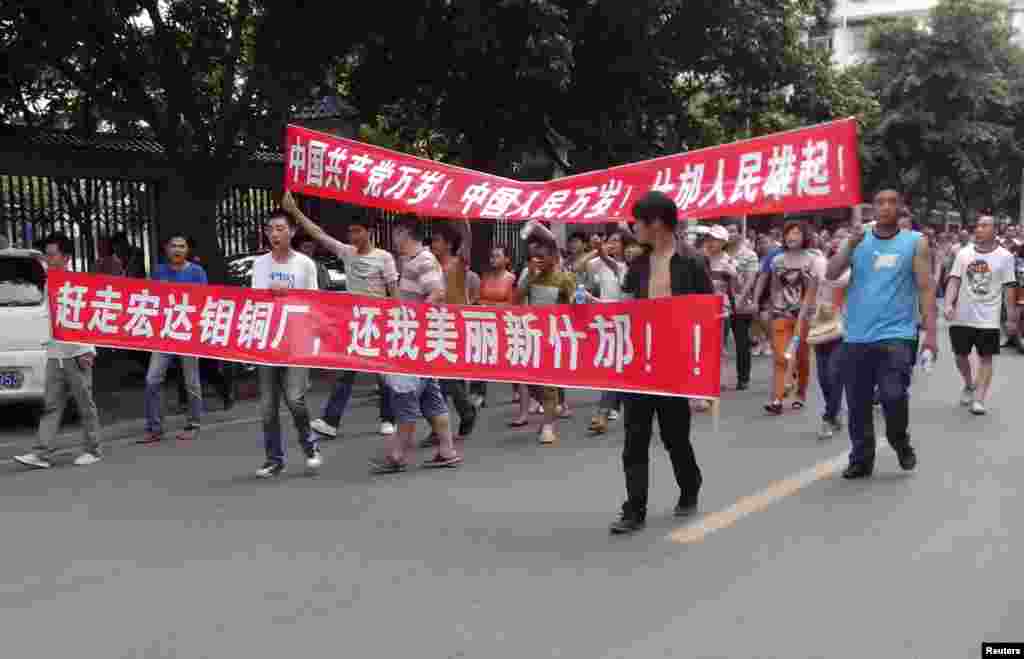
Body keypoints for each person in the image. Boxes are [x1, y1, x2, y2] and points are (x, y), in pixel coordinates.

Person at [610, 191, 713, 536]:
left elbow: (708, 320)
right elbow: (624, 309)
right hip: (640, 363)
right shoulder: (637, 263)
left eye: (637, 221)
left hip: (675, 364)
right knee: (634, 439)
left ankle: (690, 484)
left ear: (655, 223)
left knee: (674, 437)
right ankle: (633, 508)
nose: (632, 227)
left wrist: (704, 380)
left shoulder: (693, 261)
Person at [826, 188, 935, 479]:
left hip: (898, 334)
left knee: (893, 395)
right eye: (879, 202)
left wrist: (931, 335)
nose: (885, 206)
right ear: (872, 208)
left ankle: (899, 440)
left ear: (901, 208)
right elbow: (831, 274)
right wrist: (849, 244)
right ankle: (861, 458)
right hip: (857, 335)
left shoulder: (915, 242)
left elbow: (925, 288)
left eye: (892, 202)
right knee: (858, 402)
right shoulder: (857, 240)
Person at [283, 192, 400, 439]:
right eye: (351, 232)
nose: (353, 236)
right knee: (346, 372)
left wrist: (397, 321)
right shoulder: (347, 252)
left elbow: (395, 294)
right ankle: (330, 421)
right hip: (354, 323)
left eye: (358, 231)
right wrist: (294, 211)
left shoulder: (384, 258)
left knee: (384, 374)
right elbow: (319, 234)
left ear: (369, 231)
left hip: (378, 322)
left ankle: (389, 418)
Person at [371, 216, 460, 473]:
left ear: (404, 233)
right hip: (420, 339)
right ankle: (447, 450)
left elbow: (437, 293)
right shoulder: (411, 260)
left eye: (396, 233)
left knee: (405, 395)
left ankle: (397, 456)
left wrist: (415, 321)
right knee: (431, 398)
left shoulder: (424, 260)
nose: (393, 238)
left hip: (414, 340)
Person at [14, 233, 104, 469]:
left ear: (66, 257)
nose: (48, 258)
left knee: (85, 404)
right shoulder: (49, 281)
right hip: (55, 354)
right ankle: (41, 453)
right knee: (52, 405)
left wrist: (87, 350)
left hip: (76, 353)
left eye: (52, 254)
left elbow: (87, 317)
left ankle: (93, 449)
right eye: (47, 254)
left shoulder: (76, 282)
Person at [251, 207, 323, 478]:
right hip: (268, 341)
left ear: (292, 231)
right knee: (268, 405)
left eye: (280, 229)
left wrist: (288, 294)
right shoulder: (260, 265)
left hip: (296, 340)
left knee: (294, 399)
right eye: (270, 229)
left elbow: (315, 301)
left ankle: (310, 447)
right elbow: (255, 301)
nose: (274, 234)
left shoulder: (304, 264)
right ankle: (274, 460)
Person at [137, 233, 208, 444]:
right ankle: (154, 427)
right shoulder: (159, 271)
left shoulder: (197, 272)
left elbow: (205, 300)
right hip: (164, 333)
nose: (177, 250)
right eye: (173, 246)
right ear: (167, 249)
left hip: (188, 333)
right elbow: (150, 299)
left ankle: (193, 424)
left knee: (191, 382)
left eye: (182, 246)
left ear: (187, 250)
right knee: (152, 379)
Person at [944, 215, 1018, 415]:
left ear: (995, 231)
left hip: (989, 317)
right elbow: (954, 280)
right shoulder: (963, 254)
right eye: (977, 225)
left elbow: (1009, 288)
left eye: (984, 225)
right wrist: (949, 303)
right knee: (960, 356)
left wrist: (1011, 318)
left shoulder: (1005, 257)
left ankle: (979, 399)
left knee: (986, 357)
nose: (979, 229)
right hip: (963, 315)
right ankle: (969, 384)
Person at [512, 222, 577, 444]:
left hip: (554, 337)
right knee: (530, 381)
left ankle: (548, 426)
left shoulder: (564, 278)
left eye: (541, 256)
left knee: (548, 383)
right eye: (534, 256)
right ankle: (551, 405)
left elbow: (575, 307)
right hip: (533, 336)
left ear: (553, 256)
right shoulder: (531, 276)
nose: (537, 260)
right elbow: (516, 300)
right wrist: (528, 277)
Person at [756, 221, 821, 415]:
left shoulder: (813, 259)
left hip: (805, 315)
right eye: (788, 233)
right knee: (780, 356)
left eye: (796, 233)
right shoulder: (778, 260)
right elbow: (774, 286)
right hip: (781, 314)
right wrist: (772, 307)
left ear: (804, 236)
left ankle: (800, 393)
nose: (792, 236)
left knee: (801, 357)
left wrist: (808, 310)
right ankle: (777, 399)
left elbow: (815, 288)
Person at [427, 220, 478, 443]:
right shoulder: (430, 267)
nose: (433, 245)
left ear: (448, 244)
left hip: (455, 325)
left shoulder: (458, 263)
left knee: (448, 378)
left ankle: (463, 412)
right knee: (437, 380)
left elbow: (467, 240)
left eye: (437, 240)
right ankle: (450, 420)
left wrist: (464, 223)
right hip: (435, 324)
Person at [584, 230, 631, 434]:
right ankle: (604, 413)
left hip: (638, 327)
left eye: (617, 242)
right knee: (615, 370)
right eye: (610, 241)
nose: (613, 245)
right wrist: (598, 249)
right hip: (615, 325)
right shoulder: (615, 266)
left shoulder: (640, 269)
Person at [813, 225, 852, 440]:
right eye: (836, 237)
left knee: (834, 372)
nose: (839, 241)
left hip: (845, 324)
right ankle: (834, 410)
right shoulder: (819, 262)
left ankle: (828, 417)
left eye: (845, 238)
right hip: (821, 321)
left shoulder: (856, 267)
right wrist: (804, 317)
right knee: (822, 376)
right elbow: (811, 293)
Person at [471, 245, 518, 408]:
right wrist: (483, 306)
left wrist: (492, 306)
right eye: (492, 256)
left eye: (497, 256)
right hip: (485, 322)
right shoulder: (485, 276)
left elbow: (513, 303)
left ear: (507, 259)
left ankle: (519, 389)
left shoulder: (511, 278)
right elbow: (478, 298)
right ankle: (478, 393)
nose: (493, 259)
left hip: (504, 323)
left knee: (510, 358)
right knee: (481, 356)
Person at [726, 222, 758, 388]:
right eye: (727, 231)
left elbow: (751, 280)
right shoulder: (718, 252)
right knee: (716, 343)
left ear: (740, 233)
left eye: (732, 231)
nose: (729, 234)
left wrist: (740, 299)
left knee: (741, 342)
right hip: (721, 303)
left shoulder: (749, 255)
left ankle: (743, 378)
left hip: (740, 303)